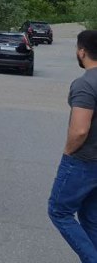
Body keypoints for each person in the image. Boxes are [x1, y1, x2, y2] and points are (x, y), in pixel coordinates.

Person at [48, 29, 97, 262]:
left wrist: (68, 152)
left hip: (84, 161)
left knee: (59, 211)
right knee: (90, 217)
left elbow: (79, 130)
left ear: (82, 51)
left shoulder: (85, 84)